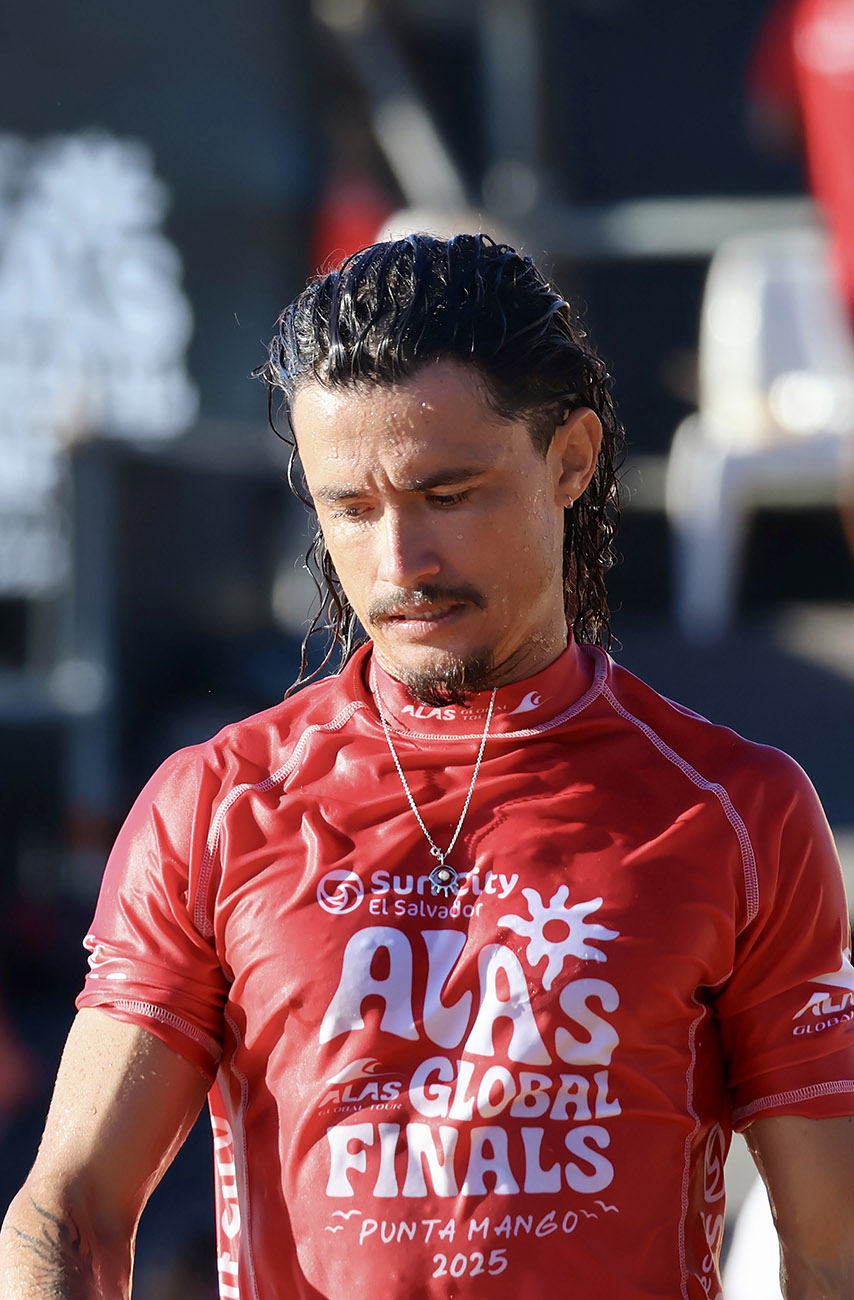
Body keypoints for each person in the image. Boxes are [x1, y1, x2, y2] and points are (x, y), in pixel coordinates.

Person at [1, 232, 853, 1299]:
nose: (400, 563)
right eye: (351, 510)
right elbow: (69, 1217)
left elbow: (832, 1249)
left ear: (571, 459)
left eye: (448, 493)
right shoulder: (215, 805)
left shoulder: (735, 810)